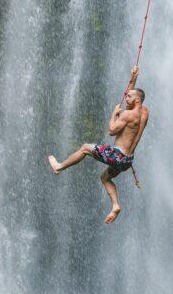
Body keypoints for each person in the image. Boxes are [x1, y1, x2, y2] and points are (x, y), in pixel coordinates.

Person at [48, 66, 149, 223]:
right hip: (127, 161)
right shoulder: (144, 112)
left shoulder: (127, 115)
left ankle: (59, 167)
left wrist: (114, 115)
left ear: (136, 100)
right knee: (105, 177)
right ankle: (115, 205)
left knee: (85, 148)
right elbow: (132, 99)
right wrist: (133, 78)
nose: (125, 98)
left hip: (116, 156)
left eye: (128, 97)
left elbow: (112, 131)